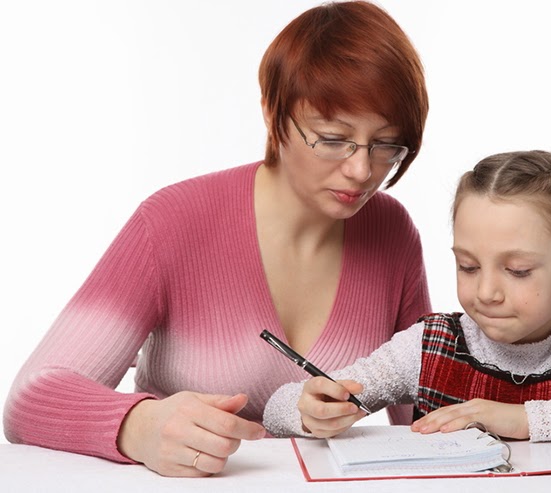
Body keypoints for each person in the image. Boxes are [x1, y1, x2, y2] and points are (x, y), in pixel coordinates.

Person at [3, 1, 431, 477]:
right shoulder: (172, 221)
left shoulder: (392, 232)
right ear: (272, 113)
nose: (361, 170)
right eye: (332, 138)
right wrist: (138, 425)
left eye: (386, 144)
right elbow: (30, 399)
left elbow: (428, 416)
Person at [263, 150, 551, 447]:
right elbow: (277, 407)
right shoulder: (428, 346)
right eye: (468, 266)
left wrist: (518, 418)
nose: (486, 292)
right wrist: (309, 410)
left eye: (517, 271)